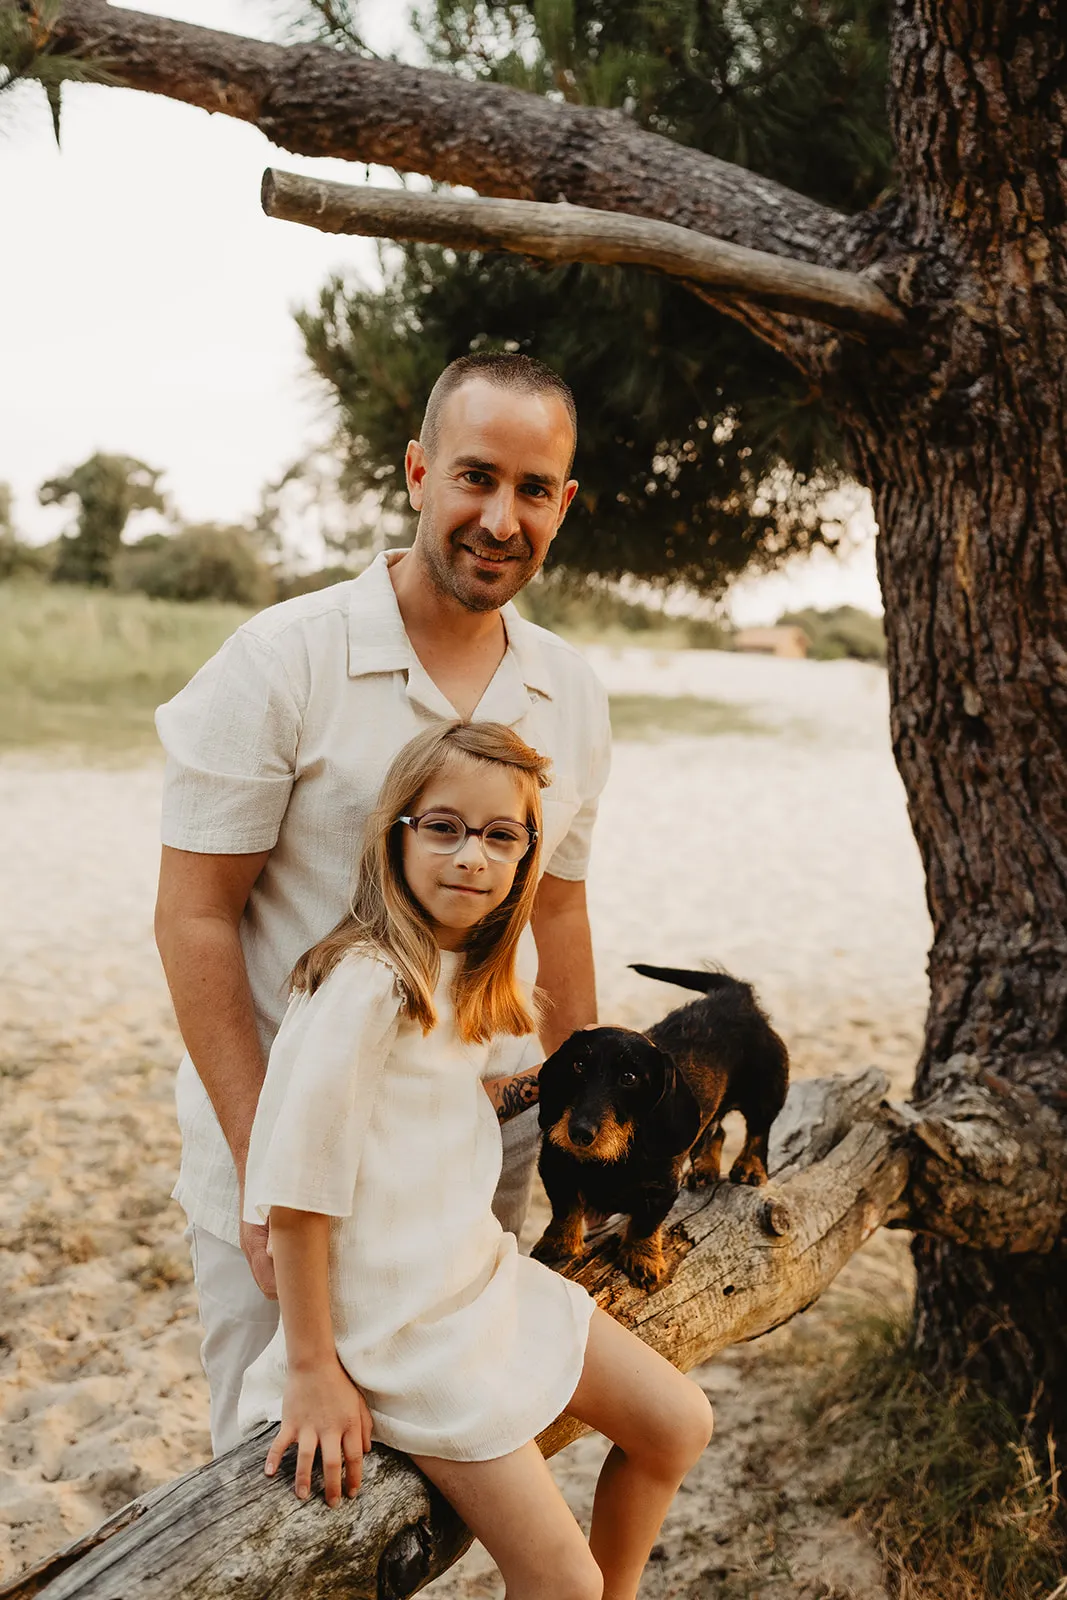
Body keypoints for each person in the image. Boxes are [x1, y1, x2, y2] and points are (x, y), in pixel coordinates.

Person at [154, 352, 612, 1456]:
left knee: (441, 1462)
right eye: (474, 476)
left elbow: (555, 919)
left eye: (533, 489)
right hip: (280, 1150)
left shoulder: (570, 691)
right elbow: (194, 917)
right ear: (415, 473)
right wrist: (267, 1164)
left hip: (462, 1162)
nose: (500, 517)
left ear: (564, 502)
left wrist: (585, 1137)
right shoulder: (279, 660)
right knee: (273, 1488)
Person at [238, 720, 713, 1600]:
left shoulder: (451, 972)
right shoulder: (367, 986)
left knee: (677, 1423)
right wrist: (313, 1370)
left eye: (500, 836)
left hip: (473, 1277)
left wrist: (540, 1087)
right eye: (444, 827)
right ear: (397, 834)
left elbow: (424, 1109)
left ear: (528, 854)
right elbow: (297, 1195)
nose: (471, 857)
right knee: (561, 1579)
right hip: (401, 1331)